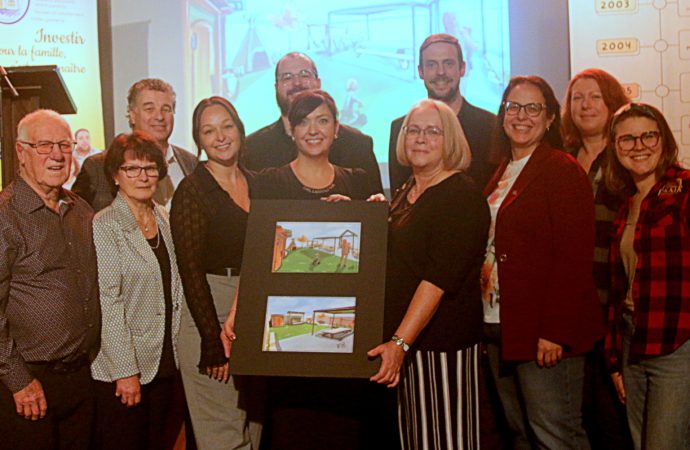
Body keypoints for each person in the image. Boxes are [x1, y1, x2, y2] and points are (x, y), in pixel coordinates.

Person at [252, 89, 390, 450]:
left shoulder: (359, 182)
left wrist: (372, 215)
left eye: (323, 120)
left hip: (346, 342)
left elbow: (374, 263)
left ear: (337, 128)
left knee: (343, 431)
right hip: (288, 349)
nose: (313, 130)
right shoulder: (268, 182)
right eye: (303, 121)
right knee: (290, 430)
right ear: (290, 130)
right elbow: (256, 258)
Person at [481, 76, 604, 449]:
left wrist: (554, 331)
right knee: (521, 434)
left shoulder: (561, 169)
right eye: (513, 107)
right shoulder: (501, 171)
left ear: (550, 117)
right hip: (501, 326)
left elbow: (574, 258)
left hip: (543, 333)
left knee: (555, 436)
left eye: (533, 108)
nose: (521, 116)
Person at [368, 99, 490, 449]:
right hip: (411, 348)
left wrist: (399, 343)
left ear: (450, 139)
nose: (421, 138)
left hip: (440, 348)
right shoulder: (409, 190)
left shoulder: (461, 197)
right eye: (414, 130)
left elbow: (435, 282)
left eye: (432, 131)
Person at [0, 109, 100, 450]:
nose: (57, 155)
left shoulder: (81, 210)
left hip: (81, 378)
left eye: (64, 145)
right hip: (28, 382)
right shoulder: (5, 217)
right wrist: (18, 381)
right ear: (20, 152)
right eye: (44, 146)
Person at [171, 96, 260, 450]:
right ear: (199, 139)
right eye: (209, 131)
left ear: (239, 129)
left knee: (254, 430)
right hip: (210, 312)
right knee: (225, 436)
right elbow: (190, 272)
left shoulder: (257, 183)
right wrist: (212, 342)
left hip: (252, 310)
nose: (220, 136)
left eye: (227, 126)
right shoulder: (192, 191)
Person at [604, 102, 690, 450]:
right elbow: (617, 287)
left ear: (664, 140)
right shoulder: (625, 203)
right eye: (627, 139)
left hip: (678, 343)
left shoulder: (685, 190)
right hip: (632, 341)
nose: (638, 146)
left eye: (648, 136)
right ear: (615, 148)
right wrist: (614, 358)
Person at [90, 131, 184, 450]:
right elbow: (109, 302)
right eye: (132, 168)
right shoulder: (105, 225)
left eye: (150, 168)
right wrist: (125, 371)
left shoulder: (166, 219)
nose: (142, 176)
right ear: (116, 175)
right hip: (125, 371)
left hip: (166, 362)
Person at [561, 68, 632, 449]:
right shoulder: (562, 157)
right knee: (578, 413)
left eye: (594, 97)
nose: (585, 105)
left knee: (613, 417)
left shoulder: (625, 154)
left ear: (612, 103)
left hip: (614, 299)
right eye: (577, 98)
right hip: (572, 304)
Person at [242, 52, 383, 194]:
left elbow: (374, 211)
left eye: (304, 74)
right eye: (287, 77)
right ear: (276, 87)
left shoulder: (357, 145)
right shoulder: (252, 149)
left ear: (318, 83)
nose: (297, 83)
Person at [388, 33, 497, 193]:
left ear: (462, 68)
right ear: (420, 71)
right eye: (431, 65)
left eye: (448, 64)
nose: (440, 72)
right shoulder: (400, 128)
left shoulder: (490, 126)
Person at [73, 78, 198, 211]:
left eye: (166, 109)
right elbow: (76, 219)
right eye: (149, 109)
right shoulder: (97, 167)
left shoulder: (190, 163)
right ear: (132, 115)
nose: (159, 117)